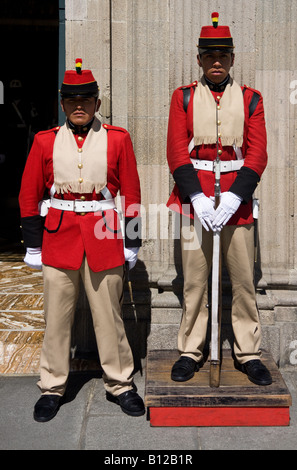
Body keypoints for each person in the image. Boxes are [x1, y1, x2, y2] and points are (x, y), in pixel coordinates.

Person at [19, 59, 145, 422]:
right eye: (72, 100)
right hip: (59, 239)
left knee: (109, 316)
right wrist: (32, 244)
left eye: (86, 100)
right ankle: (52, 386)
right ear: (62, 104)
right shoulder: (44, 141)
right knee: (56, 319)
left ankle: (120, 383)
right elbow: (29, 193)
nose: (79, 106)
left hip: (105, 237)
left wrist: (132, 240)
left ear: (97, 104)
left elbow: (132, 192)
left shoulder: (117, 139)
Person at [167, 13, 272, 386]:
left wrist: (232, 198)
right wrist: (195, 195)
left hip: (236, 204)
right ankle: (191, 349)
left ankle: (248, 352)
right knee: (194, 281)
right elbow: (177, 153)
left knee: (243, 281)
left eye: (222, 56)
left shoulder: (250, 98)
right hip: (195, 203)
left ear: (231, 59)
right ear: (198, 59)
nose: (216, 63)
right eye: (209, 56)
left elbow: (257, 154)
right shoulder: (182, 98)